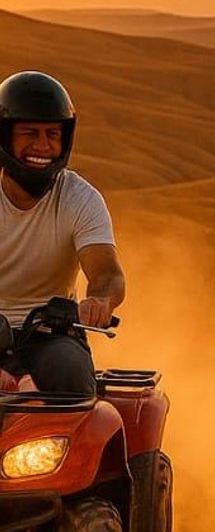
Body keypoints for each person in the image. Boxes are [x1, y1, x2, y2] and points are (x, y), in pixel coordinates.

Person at [0, 71, 125, 396]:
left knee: (72, 378)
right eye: (29, 133)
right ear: (4, 136)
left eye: (52, 134)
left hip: (52, 333)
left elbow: (108, 273)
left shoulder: (80, 198)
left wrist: (100, 300)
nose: (42, 145)